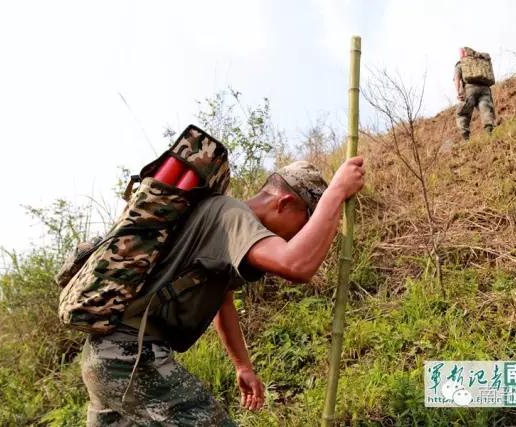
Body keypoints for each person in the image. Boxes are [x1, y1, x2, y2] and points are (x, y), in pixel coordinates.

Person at [81, 157, 366, 426]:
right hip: (130, 355)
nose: (297, 234)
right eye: (304, 222)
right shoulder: (231, 214)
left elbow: (223, 303)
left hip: (105, 356)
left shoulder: (222, 225)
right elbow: (296, 264)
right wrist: (337, 192)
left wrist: (243, 366)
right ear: (285, 203)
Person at [454, 47, 496, 141]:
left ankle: (466, 139)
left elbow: (457, 78)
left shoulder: (461, 64)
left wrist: (458, 92)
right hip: (485, 89)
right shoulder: (479, 62)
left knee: (463, 113)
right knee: (486, 110)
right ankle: (490, 135)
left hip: (470, 89)